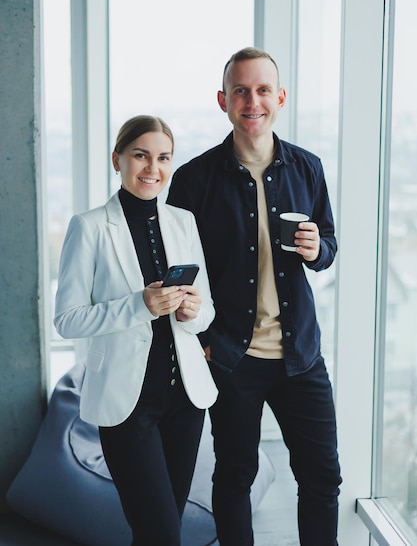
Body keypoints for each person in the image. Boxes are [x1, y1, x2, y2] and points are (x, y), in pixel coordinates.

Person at [167, 47, 342, 546]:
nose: (252, 100)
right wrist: (194, 335)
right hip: (230, 356)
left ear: (280, 98)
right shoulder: (194, 180)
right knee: (234, 477)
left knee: (322, 480)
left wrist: (317, 248)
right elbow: (175, 271)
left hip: (300, 357)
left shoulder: (307, 168)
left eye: (263, 89)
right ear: (223, 100)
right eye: (241, 90)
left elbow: (329, 243)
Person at [54, 115, 218, 546]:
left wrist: (192, 312)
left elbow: (207, 312)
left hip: (185, 400)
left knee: (159, 531)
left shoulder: (184, 222)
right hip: (127, 405)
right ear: (118, 159)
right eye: (140, 155)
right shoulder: (88, 227)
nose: (152, 168)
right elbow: (67, 319)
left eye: (163, 157)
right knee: (161, 532)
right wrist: (138, 305)